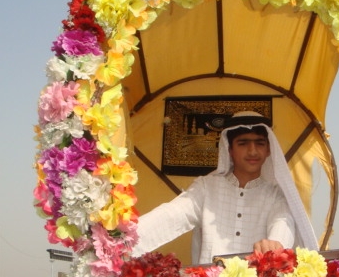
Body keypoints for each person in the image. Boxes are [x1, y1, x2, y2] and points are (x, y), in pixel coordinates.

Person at [133, 111, 319, 264]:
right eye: (243, 143)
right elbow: (172, 214)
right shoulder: (207, 188)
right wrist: (124, 238)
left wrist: (275, 243)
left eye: (260, 143)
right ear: (229, 150)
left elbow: (283, 221)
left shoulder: (275, 195)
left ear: (268, 150)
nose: (253, 151)